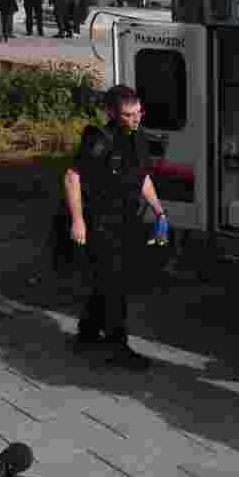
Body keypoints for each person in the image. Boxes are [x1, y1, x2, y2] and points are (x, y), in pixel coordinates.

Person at [64, 85, 165, 371]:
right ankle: (117, 348)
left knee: (108, 281)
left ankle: (87, 334)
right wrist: (78, 220)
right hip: (101, 224)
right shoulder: (99, 139)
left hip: (127, 222)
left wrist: (159, 211)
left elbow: (142, 177)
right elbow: (72, 177)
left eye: (138, 113)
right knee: (116, 286)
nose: (135, 119)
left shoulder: (138, 138)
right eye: (128, 115)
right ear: (111, 112)